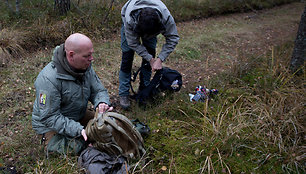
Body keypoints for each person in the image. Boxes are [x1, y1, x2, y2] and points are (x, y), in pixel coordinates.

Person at [32, 33, 113, 155]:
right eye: (87, 56)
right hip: (50, 126)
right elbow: (49, 117)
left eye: (91, 54)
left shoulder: (86, 66)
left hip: (77, 113)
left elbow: (98, 90)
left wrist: (101, 102)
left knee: (110, 125)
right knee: (81, 148)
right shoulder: (48, 79)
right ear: (71, 55)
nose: (91, 59)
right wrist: (78, 130)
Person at [119, 0, 180, 109]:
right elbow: (132, 43)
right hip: (131, 25)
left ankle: (144, 89)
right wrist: (150, 59)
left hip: (153, 25)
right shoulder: (129, 19)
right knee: (127, 59)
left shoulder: (166, 17)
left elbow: (173, 38)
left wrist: (159, 60)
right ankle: (123, 94)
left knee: (149, 57)